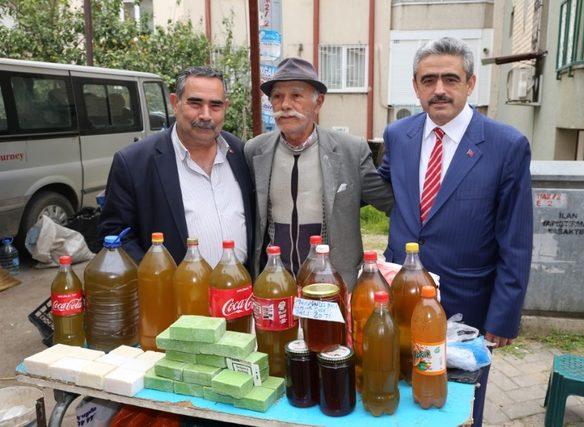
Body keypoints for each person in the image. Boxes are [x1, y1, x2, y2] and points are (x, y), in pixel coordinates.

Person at [379, 37, 533, 425]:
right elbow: (386, 189)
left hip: (468, 307)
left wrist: (503, 317)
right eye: (428, 80)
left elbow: (516, 239)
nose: (439, 90)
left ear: (470, 83)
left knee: (459, 407)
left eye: (451, 78)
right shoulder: (397, 137)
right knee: (403, 394)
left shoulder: (506, 145)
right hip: (402, 296)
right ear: (415, 86)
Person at [244, 57, 393, 288]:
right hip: (275, 284)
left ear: (318, 102)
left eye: (296, 95)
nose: (285, 105)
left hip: (333, 284)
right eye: (277, 96)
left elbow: (392, 202)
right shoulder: (255, 151)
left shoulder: (350, 151)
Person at [99, 66, 254, 268]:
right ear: (175, 103)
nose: (206, 115)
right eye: (195, 103)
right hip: (174, 295)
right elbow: (116, 237)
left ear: (225, 107)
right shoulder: (134, 163)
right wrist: (158, 279)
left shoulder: (241, 153)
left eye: (215, 106)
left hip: (239, 295)